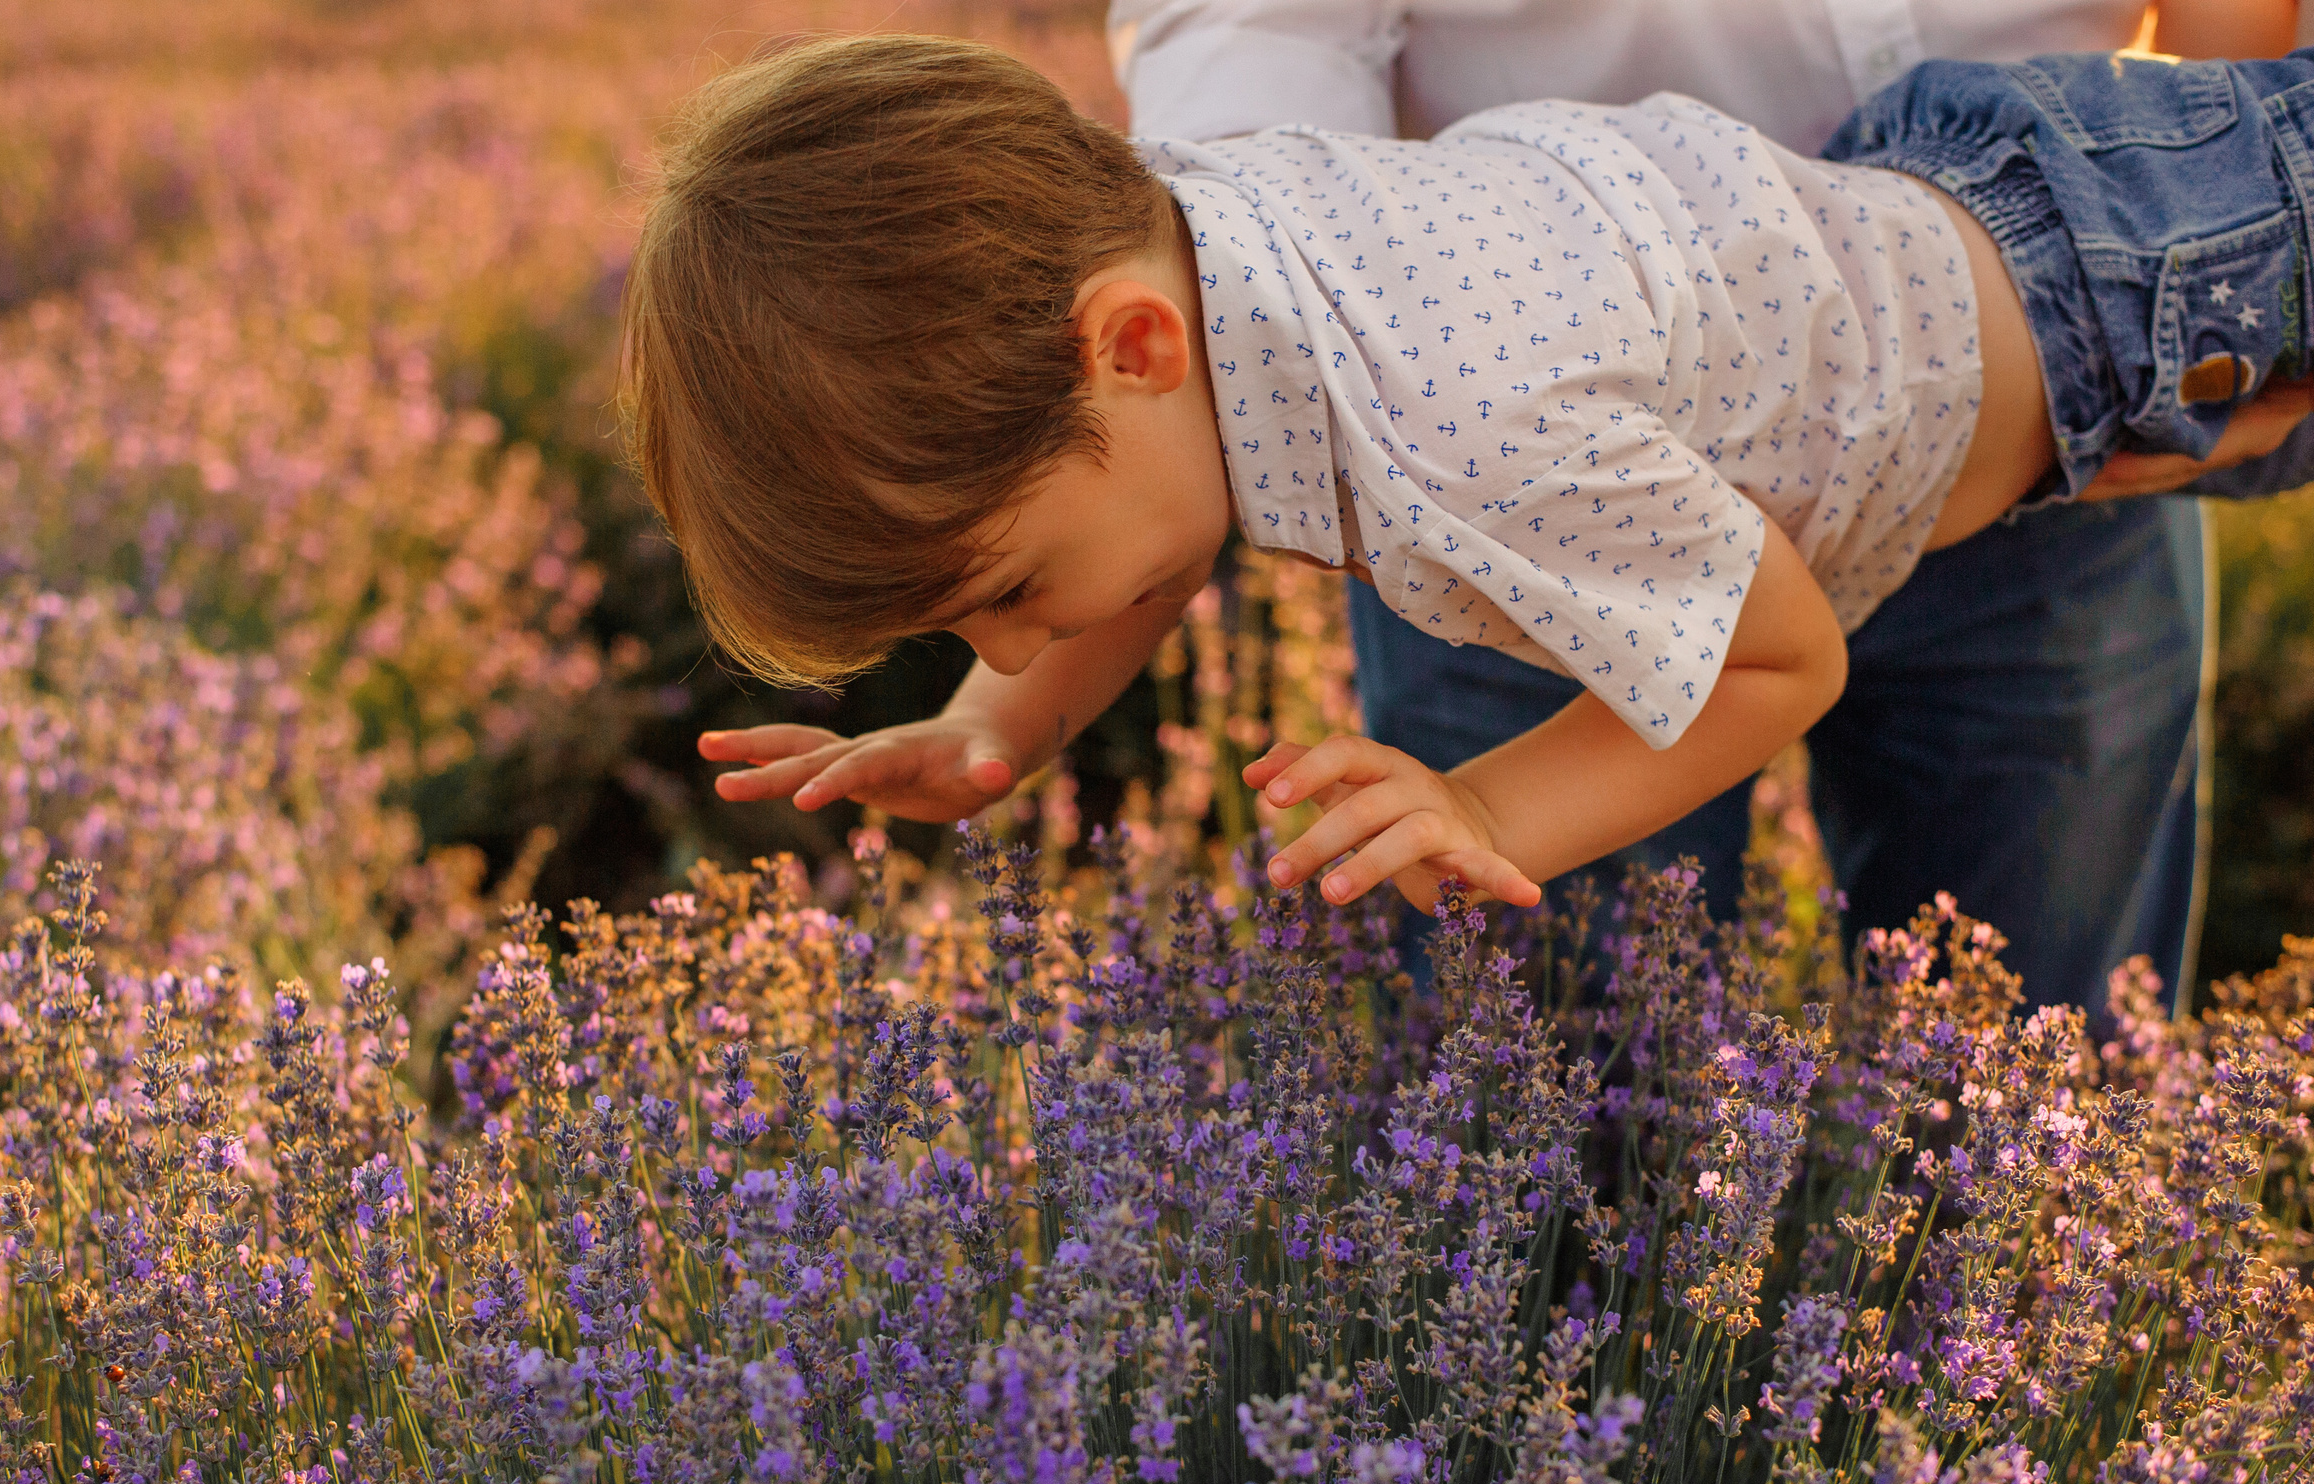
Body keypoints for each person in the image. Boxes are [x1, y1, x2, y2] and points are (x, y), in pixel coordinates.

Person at [632, 34, 2314, 967]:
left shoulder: (1456, 436)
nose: (1027, 628)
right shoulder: (1189, 253)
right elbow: (1129, 515)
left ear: (1131, 344)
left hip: (2117, 284)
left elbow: (1777, 663)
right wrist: (1007, 716)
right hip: (1931, 189)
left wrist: (1492, 811)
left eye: (1005, 589)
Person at [1102, 0, 2302, 1017]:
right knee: (1549, 1129)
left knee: (2033, 1084)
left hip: (2047, 291)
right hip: (1554, 462)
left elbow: (1776, 663)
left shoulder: (1442, 429)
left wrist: (2178, 244)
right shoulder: (1453, 425)